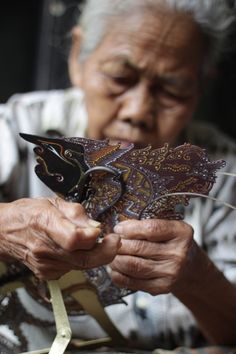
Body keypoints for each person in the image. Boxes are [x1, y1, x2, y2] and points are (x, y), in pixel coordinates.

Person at [0, 0, 236, 352]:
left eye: (171, 90)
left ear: (200, 88)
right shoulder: (18, 127)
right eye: (120, 78)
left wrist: (197, 278)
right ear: (78, 56)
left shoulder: (222, 174)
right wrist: (5, 228)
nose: (138, 111)